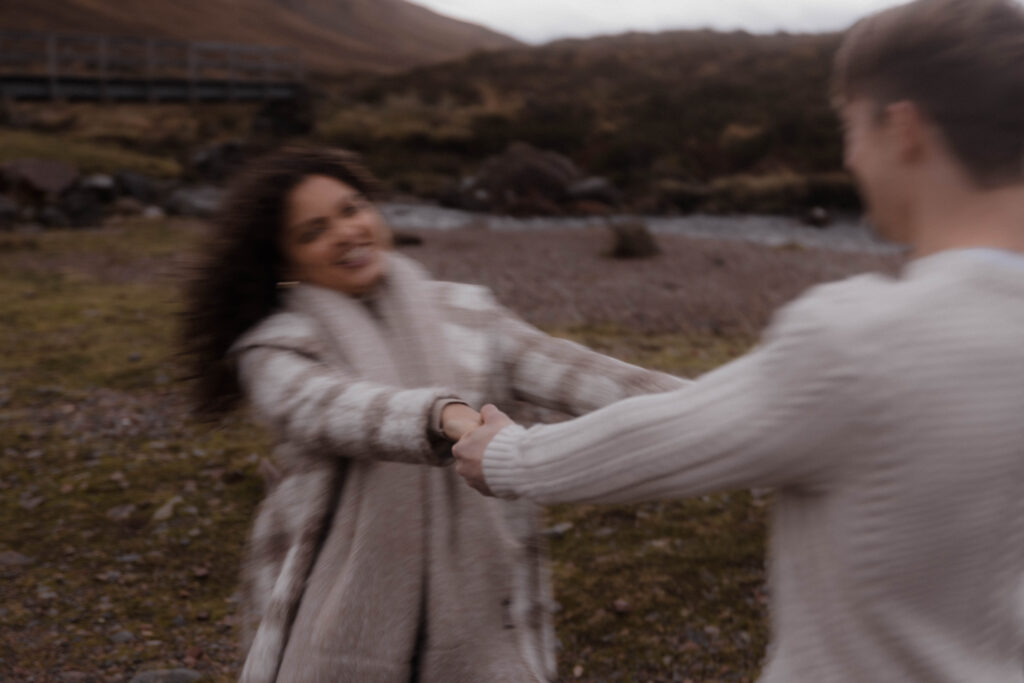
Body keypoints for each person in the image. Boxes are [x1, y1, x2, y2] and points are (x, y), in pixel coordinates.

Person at [453, 1, 1024, 681]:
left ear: (904, 129)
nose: (848, 155)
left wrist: (511, 456)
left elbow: (670, 438)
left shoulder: (862, 341)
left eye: (850, 125)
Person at [180, 146, 685, 682]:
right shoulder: (274, 349)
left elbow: (569, 370)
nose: (348, 231)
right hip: (332, 615)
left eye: (353, 208)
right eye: (313, 231)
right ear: (282, 261)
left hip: (479, 607)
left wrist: (713, 407)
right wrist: (445, 416)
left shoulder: (465, 309)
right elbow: (334, 408)